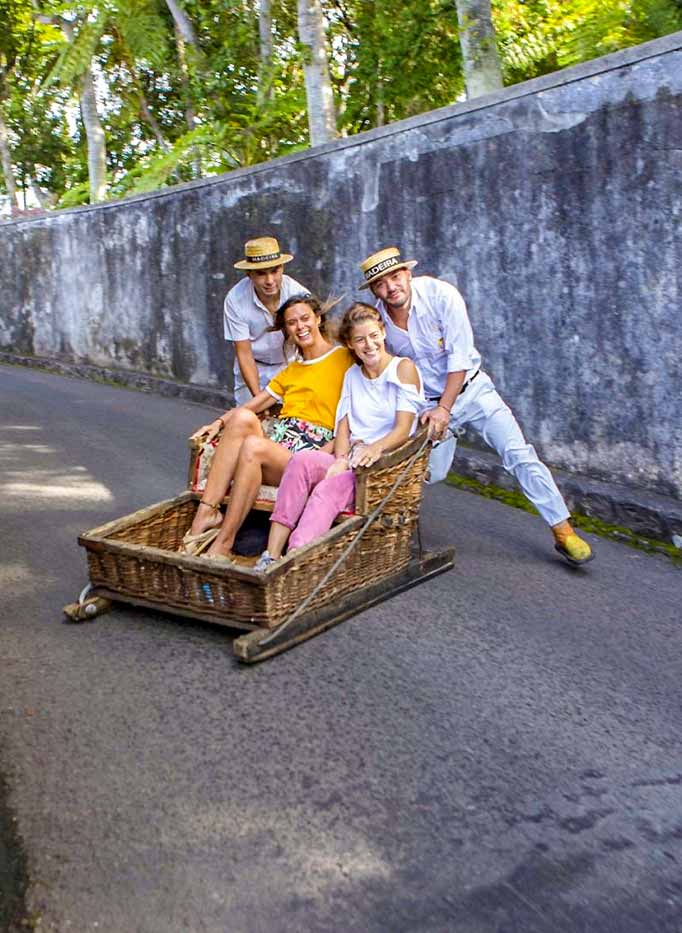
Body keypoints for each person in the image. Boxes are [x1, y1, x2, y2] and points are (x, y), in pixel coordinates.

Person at [359, 246, 594, 567]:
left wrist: (446, 408)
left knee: (518, 453)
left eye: (395, 276)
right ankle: (390, 526)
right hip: (427, 406)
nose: (391, 287)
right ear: (374, 290)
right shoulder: (378, 323)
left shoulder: (441, 296)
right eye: (382, 283)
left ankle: (562, 530)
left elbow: (459, 356)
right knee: (429, 471)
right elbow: (386, 367)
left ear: (407, 273)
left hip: (471, 390)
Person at [254, 303, 423, 570]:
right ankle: (271, 554)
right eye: (360, 340)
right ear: (350, 345)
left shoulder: (402, 368)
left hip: (380, 464)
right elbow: (343, 424)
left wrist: (374, 449)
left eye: (373, 336)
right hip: (353, 457)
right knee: (302, 462)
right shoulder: (353, 375)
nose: (369, 345)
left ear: (383, 333)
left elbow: (403, 428)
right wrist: (341, 458)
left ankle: (295, 557)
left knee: (327, 489)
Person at [184, 294, 353, 559]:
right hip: (280, 445)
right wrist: (217, 423)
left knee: (253, 447)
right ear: (286, 330)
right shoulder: (292, 370)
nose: (300, 327)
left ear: (318, 319)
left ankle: (223, 545)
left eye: (305, 318)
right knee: (242, 419)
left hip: (310, 456)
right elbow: (252, 406)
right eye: (292, 322)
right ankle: (206, 515)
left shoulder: (345, 358)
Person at [224, 236, 307, 405]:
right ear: (249, 274)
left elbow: (310, 342)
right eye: (261, 274)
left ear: (282, 268)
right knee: (249, 421)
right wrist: (258, 400)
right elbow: (244, 353)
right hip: (253, 366)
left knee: (291, 424)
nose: (269, 281)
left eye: (274, 271)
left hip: (289, 365)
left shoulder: (299, 294)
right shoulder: (235, 299)